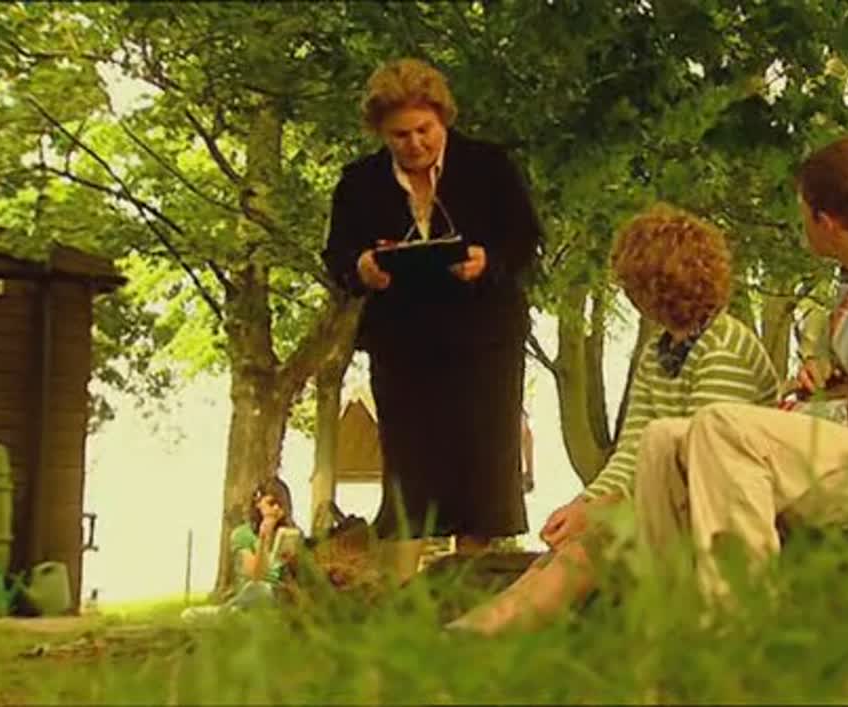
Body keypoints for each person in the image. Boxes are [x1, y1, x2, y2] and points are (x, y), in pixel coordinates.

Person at [633, 136, 848, 602]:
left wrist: (795, 411)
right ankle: (671, 619)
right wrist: (824, 378)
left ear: (825, 221)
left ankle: (738, 621)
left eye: (803, 210)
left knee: (723, 425)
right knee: (663, 440)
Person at [447, 202, 780, 634]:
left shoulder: (723, 347)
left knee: (592, 547)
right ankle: (481, 629)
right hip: (665, 497)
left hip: (719, 508)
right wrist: (585, 503)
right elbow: (633, 448)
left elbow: (701, 460)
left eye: (634, 286)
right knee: (568, 547)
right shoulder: (659, 352)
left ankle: (486, 633)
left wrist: (604, 510)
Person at [322, 58, 543, 585]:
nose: (415, 144)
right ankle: (400, 593)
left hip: (484, 342)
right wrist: (361, 267)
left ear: (443, 118)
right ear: (380, 133)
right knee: (409, 467)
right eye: (400, 136)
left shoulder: (489, 167)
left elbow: (526, 240)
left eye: (424, 130)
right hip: (403, 346)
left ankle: (470, 588)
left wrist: (488, 261)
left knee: (482, 467)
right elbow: (336, 255)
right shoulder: (358, 183)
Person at [182, 477, 301, 621]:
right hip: (254, 590)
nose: (276, 509)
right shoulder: (243, 534)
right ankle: (225, 612)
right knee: (259, 589)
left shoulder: (288, 534)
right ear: (258, 503)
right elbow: (256, 575)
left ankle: (232, 612)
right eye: (271, 503)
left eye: (281, 505)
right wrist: (263, 538)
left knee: (280, 594)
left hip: (280, 593)